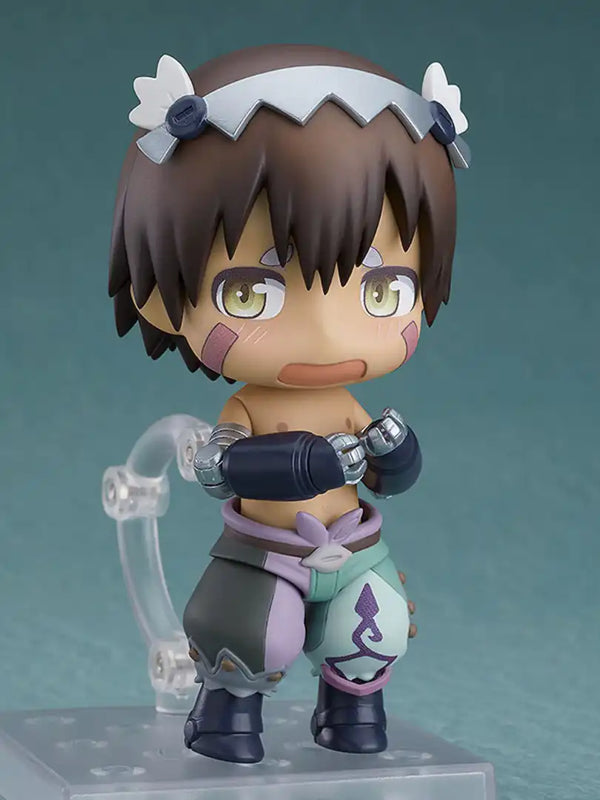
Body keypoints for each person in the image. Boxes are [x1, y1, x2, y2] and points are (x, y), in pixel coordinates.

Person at [109, 43, 470, 764]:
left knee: (373, 627)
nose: (328, 333)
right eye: (251, 293)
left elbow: (392, 479)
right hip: (263, 555)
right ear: (163, 298)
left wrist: (396, 453)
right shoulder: (246, 408)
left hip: (354, 549)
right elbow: (226, 468)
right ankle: (225, 717)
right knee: (251, 634)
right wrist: (305, 463)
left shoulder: (349, 402)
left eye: (382, 291)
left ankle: (353, 712)